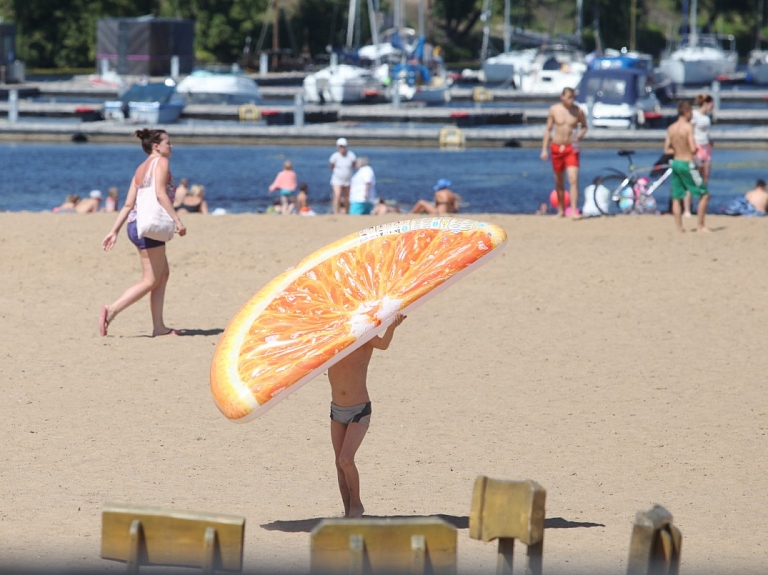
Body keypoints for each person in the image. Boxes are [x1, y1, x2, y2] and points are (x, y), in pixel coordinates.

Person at [99, 129, 187, 337]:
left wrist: (114, 231)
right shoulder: (161, 163)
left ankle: (159, 327)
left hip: (135, 224)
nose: (171, 146)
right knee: (150, 279)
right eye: (168, 142)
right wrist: (177, 219)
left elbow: (129, 203)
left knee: (162, 275)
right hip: (148, 226)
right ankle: (111, 310)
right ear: (156, 146)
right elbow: (160, 193)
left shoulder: (140, 169)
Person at [329, 313, 406, 518]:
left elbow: (382, 345)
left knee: (346, 459)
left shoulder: (363, 333)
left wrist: (392, 327)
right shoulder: (331, 337)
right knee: (338, 462)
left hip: (359, 409)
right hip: (336, 410)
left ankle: (357, 505)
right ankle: (348, 512)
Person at [540, 87, 588, 219]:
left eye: (573, 98)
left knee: (573, 178)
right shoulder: (554, 110)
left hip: (571, 148)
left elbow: (584, 126)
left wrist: (579, 136)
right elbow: (548, 130)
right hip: (556, 147)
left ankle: (573, 211)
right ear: (562, 97)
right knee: (559, 181)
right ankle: (561, 210)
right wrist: (544, 149)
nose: (571, 100)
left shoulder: (578, 111)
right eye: (569, 97)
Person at [663, 100, 710, 233]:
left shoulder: (671, 128)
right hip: (686, 163)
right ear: (686, 112)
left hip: (676, 162)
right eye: (690, 112)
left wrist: (677, 150)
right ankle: (700, 225)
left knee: (676, 197)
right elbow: (692, 147)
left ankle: (679, 227)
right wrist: (694, 150)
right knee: (704, 194)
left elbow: (666, 149)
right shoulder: (688, 127)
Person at [686, 93, 715, 217]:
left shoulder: (707, 117)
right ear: (706, 104)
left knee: (705, 179)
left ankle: (701, 208)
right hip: (697, 147)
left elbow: (706, 132)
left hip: (706, 147)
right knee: (693, 178)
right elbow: (690, 131)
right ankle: (687, 209)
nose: (712, 107)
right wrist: (691, 148)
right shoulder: (695, 115)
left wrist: (710, 141)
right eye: (711, 104)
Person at [329, 138, 357, 214]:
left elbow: (354, 165)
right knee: (337, 195)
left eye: (343, 146)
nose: (342, 148)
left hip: (347, 180)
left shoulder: (351, 155)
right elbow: (331, 166)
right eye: (340, 146)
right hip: (337, 180)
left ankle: (347, 211)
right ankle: (336, 212)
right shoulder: (334, 156)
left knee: (347, 197)